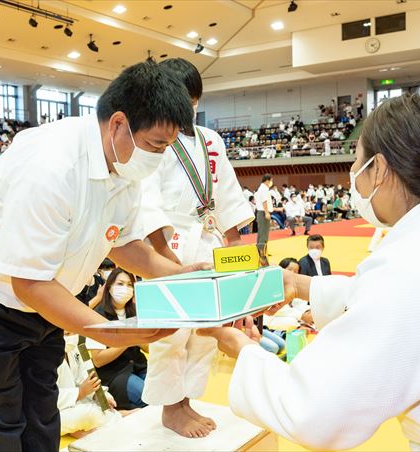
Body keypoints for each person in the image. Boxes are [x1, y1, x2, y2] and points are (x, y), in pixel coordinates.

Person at [199, 94, 420, 451]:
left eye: (357, 161)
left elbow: (317, 412)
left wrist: (243, 348)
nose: (354, 175)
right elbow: (398, 303)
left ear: (380, 168)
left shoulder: (416, 262)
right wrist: (298, 284)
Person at [0, 61, 207, 452]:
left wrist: (178, 273)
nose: (159, 156)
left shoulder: (126, 167)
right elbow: (29, 282)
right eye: (156, 144)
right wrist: (109, 331)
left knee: (42, 420)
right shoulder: (52, 164)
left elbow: (121, 242)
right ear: (118, 124)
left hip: (45, 301)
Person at [139, 58, 254, 438]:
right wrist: (162, 254)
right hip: (171, 239)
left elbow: (228, 194)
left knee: (207, 329)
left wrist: (235, 245)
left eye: (192, 101)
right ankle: (171, 408)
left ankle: (187, 400)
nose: (187, 108)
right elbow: (147, 198)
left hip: (209, 238)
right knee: (172, 331)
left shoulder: (211, 139)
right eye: (180, 99)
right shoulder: (153, 136)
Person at [92, 268, 148, 411]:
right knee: (147, 398)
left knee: (162, 393)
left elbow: (148, 348)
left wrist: (142, 337)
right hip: (114, 374)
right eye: (120, 284)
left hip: (139, 366)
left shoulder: (135, 312)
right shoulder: (97, 316)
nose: (125, 289)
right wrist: (127, 340)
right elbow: (98, 360)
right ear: (109, 287)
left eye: (129, 285)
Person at [58, 333, 121, 438]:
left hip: (74, 403)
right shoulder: (44, 359)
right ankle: (119, 418)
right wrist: (80, 392)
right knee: (91, 413)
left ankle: (81, 431)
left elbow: (85, 378)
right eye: (67, 334)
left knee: (104, 404)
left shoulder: (73, 349)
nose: (72, 336)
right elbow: (46, 398)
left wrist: (99, 395)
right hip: (51, 414)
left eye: (73, 332)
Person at [254, 174, 274, 255]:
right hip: (263, 212)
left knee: (262, 232)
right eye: (271, 180)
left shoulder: (262, 188)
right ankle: (262, 252)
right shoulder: (263, 189)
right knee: (263, 233)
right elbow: (264, 201)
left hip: (262, 212)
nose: (272, 182)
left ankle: (261, 250)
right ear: (267, 180)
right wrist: (266, 212)